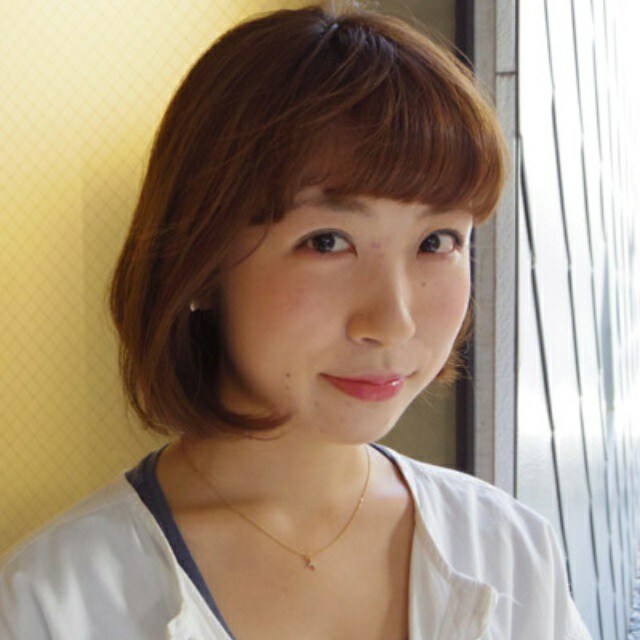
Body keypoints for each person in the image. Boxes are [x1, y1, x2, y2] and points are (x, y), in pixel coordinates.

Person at [0, 2, 592, 638]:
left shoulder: (510, 550)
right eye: (328, 242)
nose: (393, 322)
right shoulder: (55, 602)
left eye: (437, 241)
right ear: (200, 262)